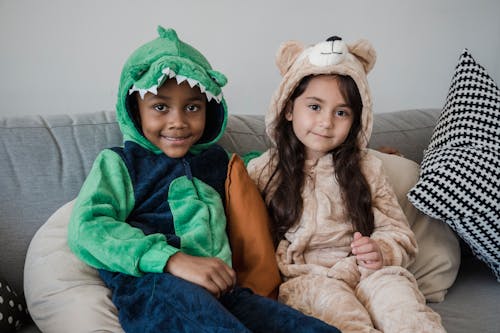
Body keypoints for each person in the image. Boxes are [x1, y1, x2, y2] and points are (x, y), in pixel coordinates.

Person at [67, 26, 341, 333]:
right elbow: (87, 228)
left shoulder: (219, 162)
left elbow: (273, 168)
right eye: (160, 107)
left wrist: (359, 155)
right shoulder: (121, 163)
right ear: (135, 109)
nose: (178, 122)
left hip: (227, 291)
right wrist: (171, 259)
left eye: (192, 107)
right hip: (156, 287)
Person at [247, 36, 446, 333]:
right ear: (289, 109)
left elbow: (398, 230)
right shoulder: (264, 170)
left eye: (341, 113)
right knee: (346, 321)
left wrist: (380, 250)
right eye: (314, 107)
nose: (326, 122)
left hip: (370, 271)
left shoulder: (367, 168)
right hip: (308, 280)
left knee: (405, 311)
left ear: (355, 121)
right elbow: (247, 233)